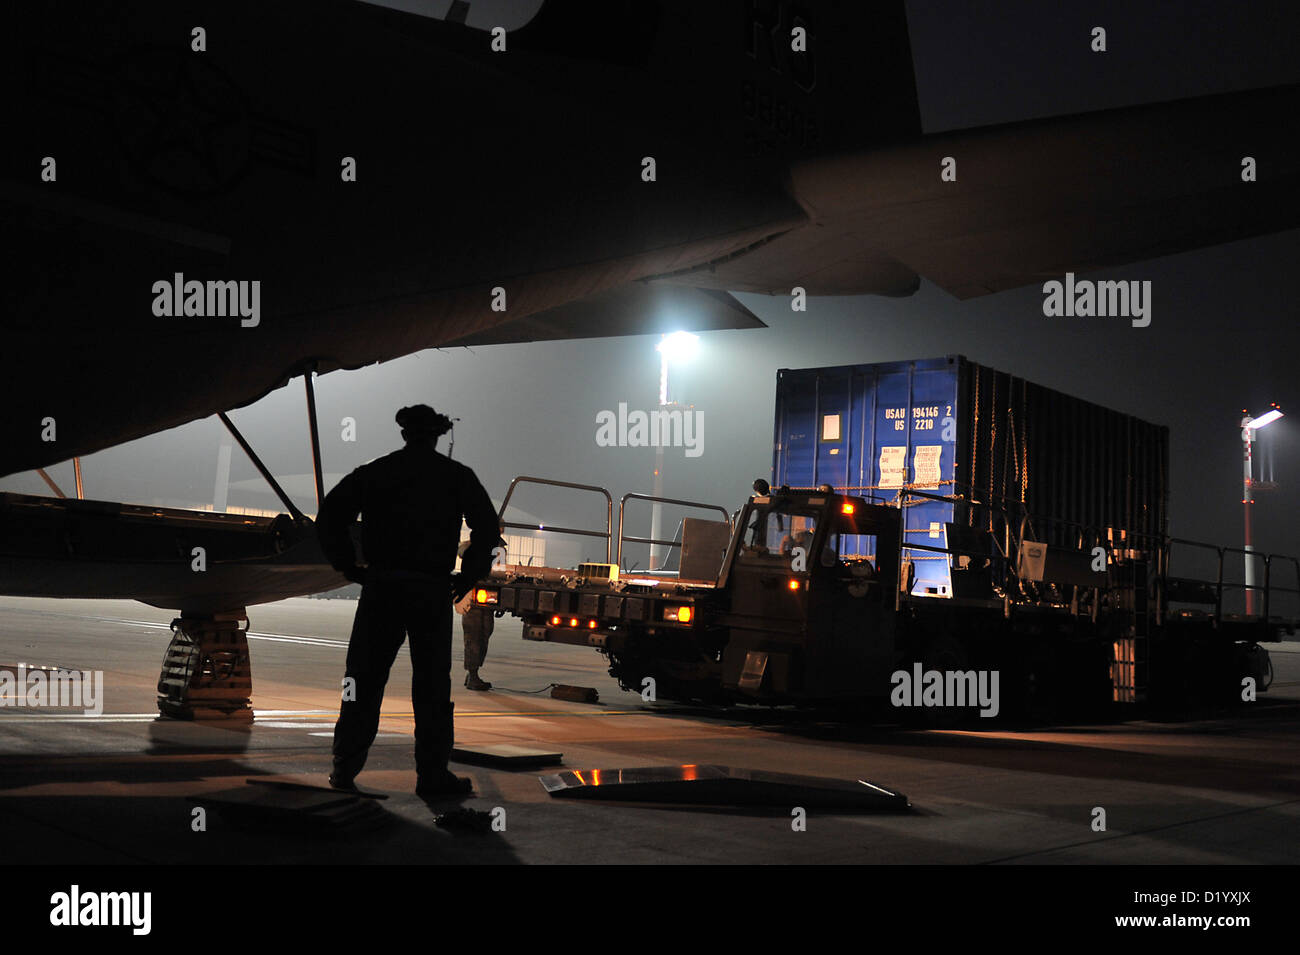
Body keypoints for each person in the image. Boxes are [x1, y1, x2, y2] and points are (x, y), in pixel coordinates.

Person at [316, 404, 500, 798]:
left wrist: (349, 567)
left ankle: (343, 770)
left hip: (382, 589)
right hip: (430, 591)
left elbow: (330, 515)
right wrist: (469, 574)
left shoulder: (376, 472)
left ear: (404, 434)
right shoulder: (455, 476)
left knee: (361, 682)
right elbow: (487, 527)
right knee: (432, 688)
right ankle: (432, 776)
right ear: (435, 435)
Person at [456, 533, 501, 691]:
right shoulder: (469, 546)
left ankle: (473, 674)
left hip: (485, 599)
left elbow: (498, 569)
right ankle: (473, 675)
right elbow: (462, 552)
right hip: (472, 598)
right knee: (474, 637)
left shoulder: (497, 547)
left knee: (485, 634)